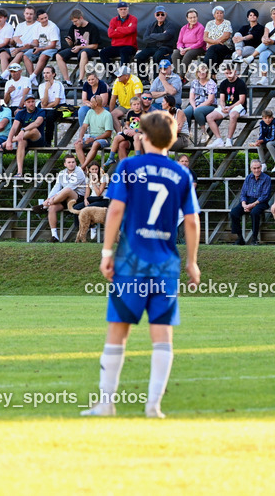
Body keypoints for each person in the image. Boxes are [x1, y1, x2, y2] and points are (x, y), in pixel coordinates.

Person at [82, 110, 200, 418]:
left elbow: (115, 211)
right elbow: (191, 221)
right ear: (172, 141)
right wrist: (192, 262)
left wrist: (106, 253)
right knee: (162, 335)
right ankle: (153, 406)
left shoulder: (129, 166)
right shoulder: (182, 174)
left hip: (131, 261)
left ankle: (106, 403)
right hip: (165, 264)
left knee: (117, 332)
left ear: (143, 138)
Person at [44, 154, 87, 241]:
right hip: (64, 198)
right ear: (65, 164)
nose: (71, 164)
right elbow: (57, 187)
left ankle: (45, 205)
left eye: (73, 162)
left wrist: (53, 199)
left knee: (67, 190)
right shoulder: (61, 173)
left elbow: (70, 187)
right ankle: (54, 236)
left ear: (75, 163)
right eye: (69, 162)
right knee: (52, 208)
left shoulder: (79, 172)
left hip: (78, 198)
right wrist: (49, 198)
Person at [2, 94, 45, 177]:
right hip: (24, 139)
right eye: (29, 102)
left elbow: (37, 123)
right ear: (24, 104)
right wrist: (10, 139)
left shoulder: (40, 111)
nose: (31, 104)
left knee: (33, 130)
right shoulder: (21, 113)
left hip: (37, 139)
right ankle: (19, 172)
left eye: (33, 101)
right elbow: (14, 128)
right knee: (21, 141)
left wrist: (23, 130)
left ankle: (7, 142)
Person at [230, 160, 271, 245]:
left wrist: (252, 205)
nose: (257, 170)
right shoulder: (248, 177)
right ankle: (240, 238)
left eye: (258, 168)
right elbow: (243, 193)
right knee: (234, 212)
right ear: (251, 169)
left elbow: (265, 196)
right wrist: (244, 204)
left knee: (254, 213)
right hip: (248, 200)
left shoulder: (267, 178)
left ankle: (254, 239)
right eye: (254, 168)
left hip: (260, 202)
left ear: (261, 167)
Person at [205, 64, 247, 148]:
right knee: (209, 117)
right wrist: (223, 107)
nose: (228, 75)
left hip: (238, 106)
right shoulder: (224, 83)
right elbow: (222, 99)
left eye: (230, 73)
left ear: (235, 72)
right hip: (227, 107)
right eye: (226, 73)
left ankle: (229, 139)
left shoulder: (241, 83)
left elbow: (241, 100)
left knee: (233, 115)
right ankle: (219, 139)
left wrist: (230, 107)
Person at [58, 9, 103, 85]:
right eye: (73, 22)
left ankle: (80, 80)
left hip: (89, 50)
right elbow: (72, 45)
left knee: (83, 53)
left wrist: (80, 47)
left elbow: (95, 46)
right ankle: (67, 80)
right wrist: (69, 42)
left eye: (76, 21)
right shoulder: (73, 27)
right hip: (77, 49)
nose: (74, 23)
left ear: (81, 18)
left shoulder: (92, 27)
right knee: (58, 55)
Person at [75, 95, 114, 167]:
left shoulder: (107, 115)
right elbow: (84, 126)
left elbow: (108, 133)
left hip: (103, 139)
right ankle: (86, 169)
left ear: (96, 104)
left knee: (95, 143)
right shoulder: (90, 112)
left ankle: (83, 167)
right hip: (91, 137)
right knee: (77, 144)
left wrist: (94, 139)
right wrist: (80, 138)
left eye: (91, 102)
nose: (89, 103)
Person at [25, 8, 62, 79]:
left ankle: (32, 77)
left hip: (53, 48)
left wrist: (40, 49)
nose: (45, 20)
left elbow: (53, 45)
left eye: (46, 17)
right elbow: (36, 42)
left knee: (43, 55)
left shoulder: (53, 27)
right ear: (38, 20)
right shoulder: (36, 27)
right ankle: (33, 77)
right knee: (25, 55)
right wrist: (30, 45)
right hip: (41, 48)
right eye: (42, 19)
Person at [100, 1, 137, 67]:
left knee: (124, 52)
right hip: (116, 46)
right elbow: (110, 34)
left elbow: (131, 30)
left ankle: (123, 74)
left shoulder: (133, 19)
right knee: (103, 53)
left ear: (128, 10)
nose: (123, 11)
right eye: (121, 9)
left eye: (125, 9)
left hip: (129, 46)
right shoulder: (113, 20)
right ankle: (112, 73)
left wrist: (118, 29)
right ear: (118, 10)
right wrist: (126, 31)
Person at [183, 64, 217, 135]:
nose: (201, 73)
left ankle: (203, 132)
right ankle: (187, 132)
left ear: (207, 73)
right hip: (196, 104)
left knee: (198, 111)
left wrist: (198, 107)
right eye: (199, 71)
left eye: (203, 72)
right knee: (186, 112)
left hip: (209, 105)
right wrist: (194, 106)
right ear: (197, 73)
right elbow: (191, 98)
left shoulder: (211, 83)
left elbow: (210, 100)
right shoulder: (194, 82)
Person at [171, 8, 205, 79]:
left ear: (197, 17)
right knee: (175, 54)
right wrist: (181, 49)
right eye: (190, 18)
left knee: (188, 54)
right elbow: (179, 42)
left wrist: (187, 49)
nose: (193, 19)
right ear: (187, 19)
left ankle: (180, 77)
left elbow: (200, 43)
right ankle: (181, 76)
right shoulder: (183, 28)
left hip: (197, 48)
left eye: (194, 17)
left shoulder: (200, 27)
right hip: (184, 48)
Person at [202, 6, 233, 71]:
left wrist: (213, 43)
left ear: (223, 14)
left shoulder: (227, 23)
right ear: (214, 15)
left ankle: (204, 69)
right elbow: (205, 38)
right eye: (217, 13)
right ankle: (213, 74)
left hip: (224, 46)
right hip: (212, 48)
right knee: (213, 53)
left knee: (213, 49)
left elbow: (226, 36)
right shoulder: (209, 23)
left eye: (221, 13)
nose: (219, 14)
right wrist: (214, 43)